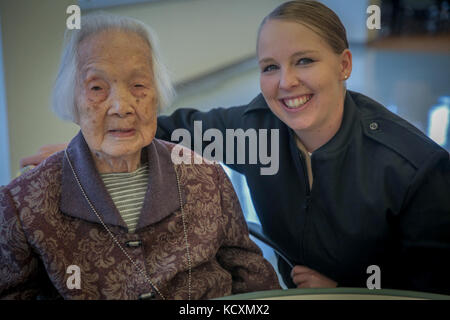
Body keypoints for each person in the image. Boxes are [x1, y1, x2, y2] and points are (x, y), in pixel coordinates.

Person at [19, 1, 450, 294]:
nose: (286, 83)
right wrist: (89, 147)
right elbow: (163, 126)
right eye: (269, 67)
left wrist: (352, 293)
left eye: (305, 61)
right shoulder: (255, 129)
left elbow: (434, 288)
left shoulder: (415, 169)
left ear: (344, 64)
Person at [0, 13, 280, 300]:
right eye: (97, 88)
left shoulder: (207, 177)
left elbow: (256, 286)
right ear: (71, 100)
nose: (122, 106)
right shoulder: (23, 204)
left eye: (139, 86)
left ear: (156, 94)